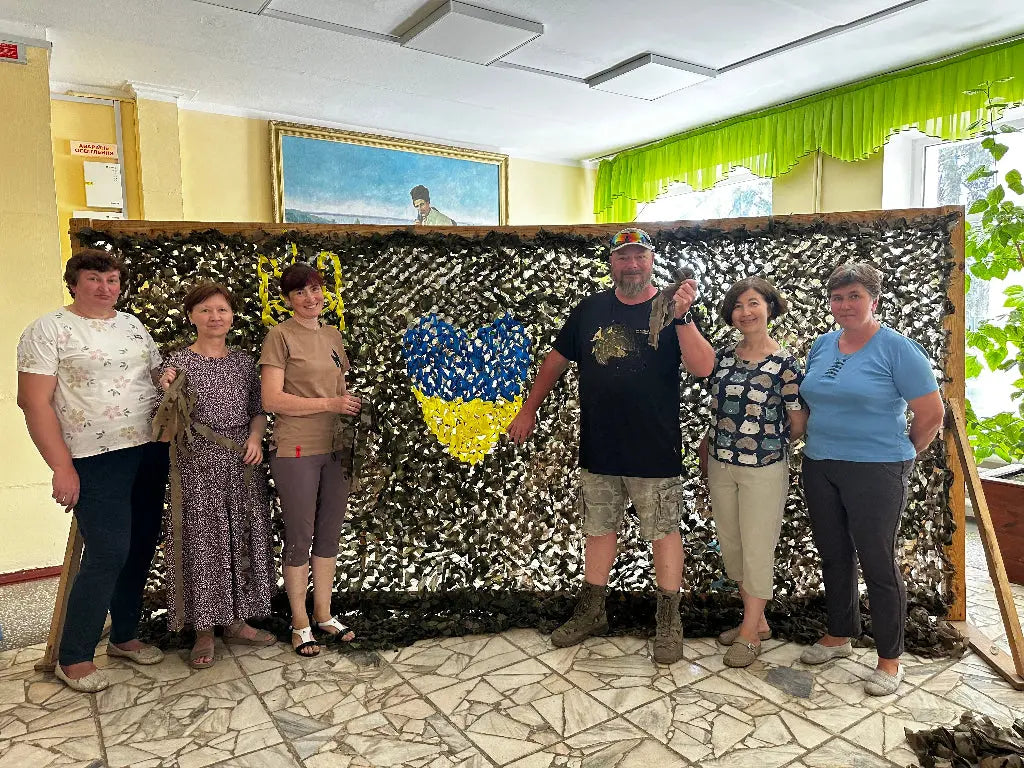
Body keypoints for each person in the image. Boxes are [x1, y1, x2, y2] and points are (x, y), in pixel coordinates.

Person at [507, 227, 715, 664]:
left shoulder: (672, 309)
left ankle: (669, 620)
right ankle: (592, 611)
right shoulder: (590, 310)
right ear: (612, 263)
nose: (632, 264)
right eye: (624, 257)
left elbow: (703, 367)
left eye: (640, 256)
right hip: (600, 446)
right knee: (599, 529)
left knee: (664, 532)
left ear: (652, 262)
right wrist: (528, 409)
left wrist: (682, 317)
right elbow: (555, 361)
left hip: (655, 449)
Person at [17, 249, 169, 692]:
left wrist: (167, 379)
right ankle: (74, 656)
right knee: (108, 551)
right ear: (74, 282)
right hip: (93, 456)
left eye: (112, 280)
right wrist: (60, 466)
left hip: (147, 448)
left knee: (140, 545)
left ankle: (124, 637)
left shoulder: (132, 325)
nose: (105, 287)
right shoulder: (48, 330)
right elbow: (33, 402)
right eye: (94, 279)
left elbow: (154, 373)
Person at [798, 262, 944, 696]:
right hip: (820, 464)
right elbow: (811, 402)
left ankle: (889, 660)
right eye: (837, 297)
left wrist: (897, 453)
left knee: (878, 563)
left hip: (877, 470)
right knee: (834, 555)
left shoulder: (898, 349)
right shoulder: (822, 345)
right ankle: (840, 635)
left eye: (854, 296)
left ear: (874, 301)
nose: (844, 305)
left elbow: (931, 414)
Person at [158, 283, 276, 669]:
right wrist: (164, 383)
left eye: (222, 310)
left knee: (241, 538)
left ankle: (237, 622)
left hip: (242, 463)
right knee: (204, 543)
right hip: (197, 466)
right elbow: (164, 414)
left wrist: (255, 438)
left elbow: (259, 409)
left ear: (232, 316)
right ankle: (204, 630)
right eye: (205, 310)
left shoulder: (244, 362)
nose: (214, 317)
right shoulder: (178, 363)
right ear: (191, 316)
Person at [700, 277, 806, 668]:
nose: (745, 312)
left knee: (758, 547)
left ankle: (749, 634)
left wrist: (766, 444)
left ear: (769, 308)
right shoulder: (722, 357)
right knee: (732, 546)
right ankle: (757, 621)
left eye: (753, 303)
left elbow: (798, 421)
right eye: (738, 306)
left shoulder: (785, 364)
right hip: (720, 465)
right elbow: (717, 412)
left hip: (764, 469)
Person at [259, 263, 362, 657]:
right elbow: (272, 399)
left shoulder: (333, 335)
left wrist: (347, 406)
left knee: (330, 532)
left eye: (315, 289)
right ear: (288, 300)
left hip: (336, 448)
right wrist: (330, 404)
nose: (310, 297)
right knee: (300, 536)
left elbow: (340, 389)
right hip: (296, 448)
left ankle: (323, 614)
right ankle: (300, 622)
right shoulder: (280, 336)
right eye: (300, 292)